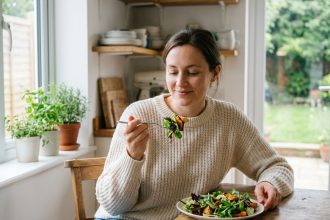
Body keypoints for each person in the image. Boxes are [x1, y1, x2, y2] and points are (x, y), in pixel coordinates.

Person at [95, 29, 294, 220]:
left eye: (192, 72)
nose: (180, 83)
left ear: (215, 73)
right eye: (173, 72)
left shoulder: (229, 120)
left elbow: (277, 167)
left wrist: (270, 182)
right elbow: (114, 206)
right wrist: (132, 155)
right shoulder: (138, 114)